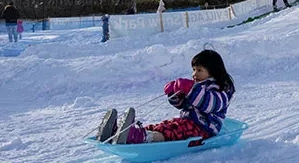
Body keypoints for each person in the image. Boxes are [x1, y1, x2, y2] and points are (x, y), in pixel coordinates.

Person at [97, 49, 235, 145]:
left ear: (212, 72)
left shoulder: (221, 88)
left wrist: (191, 89)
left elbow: (210, 104)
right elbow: (184, 105)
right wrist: (174, 95)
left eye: (199, 70)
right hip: (188, 122)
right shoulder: (198, 86)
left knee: (172, 132)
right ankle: (121, 132)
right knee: (164, 126)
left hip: (205, 129)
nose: (194, 74)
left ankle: (138, 137)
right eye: (193, 70)